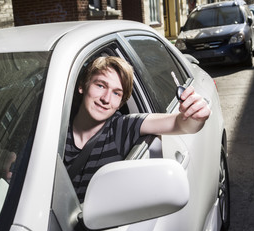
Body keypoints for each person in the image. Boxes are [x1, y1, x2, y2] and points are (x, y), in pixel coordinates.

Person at [64, 56, 210, 202]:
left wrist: (196, 116)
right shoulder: (54, 130)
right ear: (82, 86)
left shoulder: (120, 128)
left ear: (120, 104)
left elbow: (180, 124)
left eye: (116, 93)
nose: (106, 99)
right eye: (100, 85)